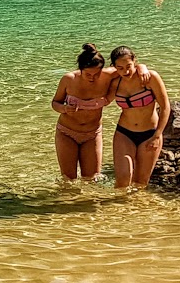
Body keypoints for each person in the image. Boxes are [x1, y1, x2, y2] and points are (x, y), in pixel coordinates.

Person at [109, 46, 169, 189]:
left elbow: (166, 106)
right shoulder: (115, 83)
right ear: (114, 67)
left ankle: (136, 210)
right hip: (124, 133)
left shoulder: (149, 78)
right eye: (120, 68)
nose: (126, 71)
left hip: (150, 134)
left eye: (129, 66)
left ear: (135, 61)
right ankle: (118, 209)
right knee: (122, 180)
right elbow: (99, 92)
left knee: (140, 183)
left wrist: (157, 135)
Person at [51, 44, 112, 181]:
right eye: (88, 74)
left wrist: (143, 68)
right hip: (67, 132)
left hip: (93, 134)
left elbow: (130, 65)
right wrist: (64, 109)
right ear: (80, 69)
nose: (92, 78)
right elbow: (55, 103)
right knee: (68, 179)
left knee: (92, 178)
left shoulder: (108, 76)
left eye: (97, 74)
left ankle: (88, 202)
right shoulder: (69, 79)